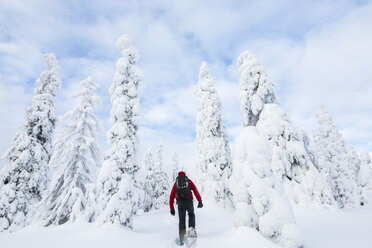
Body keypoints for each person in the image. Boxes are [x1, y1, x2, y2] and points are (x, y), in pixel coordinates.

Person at [169, 171, 203, 245]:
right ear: (185, 176)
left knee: (182, 219)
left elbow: (171, 196)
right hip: (189, 201)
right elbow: (195, 190)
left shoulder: (176, 184)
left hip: (180, 203)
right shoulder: (189, 182)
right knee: (191, 214)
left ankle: (182, 236)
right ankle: (191, 229)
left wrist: (171, 208)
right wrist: (199, 201)